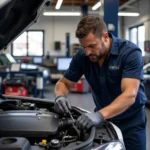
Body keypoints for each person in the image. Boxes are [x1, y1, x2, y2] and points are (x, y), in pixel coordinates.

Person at [54, 16, 147, 150]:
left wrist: (99, 115)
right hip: (104, 122)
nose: (87, 52)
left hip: (131, 123)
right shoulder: (82, 56)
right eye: (83, 47)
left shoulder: (130, 53)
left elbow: (129, 95)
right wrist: (60, 96)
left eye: (92, 46)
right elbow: (63, 83)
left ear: (105, 36)